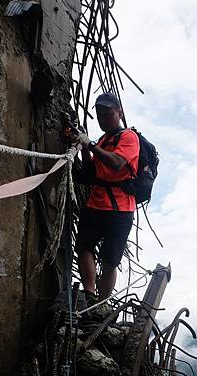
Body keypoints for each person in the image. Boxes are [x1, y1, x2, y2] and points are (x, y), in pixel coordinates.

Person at [73, 92, 140, 306]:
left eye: (108, 112)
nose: (103, 117)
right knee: (84, 246)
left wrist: (90, 145)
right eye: (99, 113)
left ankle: (100, 305)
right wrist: (85, 148)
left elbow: (117, 163)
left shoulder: (128, 137)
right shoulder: (103, 141)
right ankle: (91, 295)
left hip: (120, 208)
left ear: (119, 113)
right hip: (96, 203)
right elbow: (93, 172)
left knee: (110, 260)